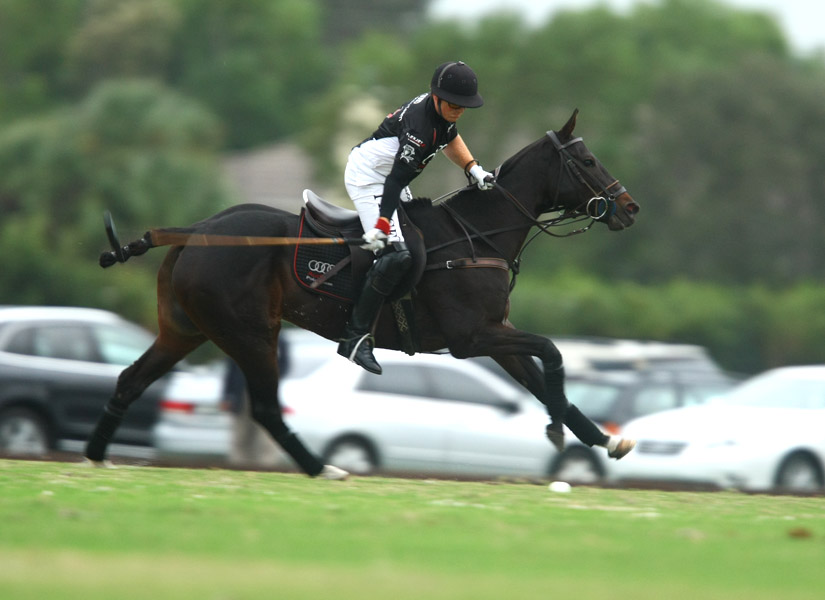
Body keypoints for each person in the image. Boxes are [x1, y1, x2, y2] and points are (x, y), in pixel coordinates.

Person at [338, 60, 496, 375]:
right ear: (436, 97)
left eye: (464, 106)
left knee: (422, 242)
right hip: (369, 178)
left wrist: (473, 168)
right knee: (396, 256)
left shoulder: (441, 112)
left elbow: (451, 137)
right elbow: (394, 183)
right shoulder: (419, 133)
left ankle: (408, 321)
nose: (459, 110)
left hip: (389, 177)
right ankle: (354, 337)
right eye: (454, 104)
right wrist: (382, 225)